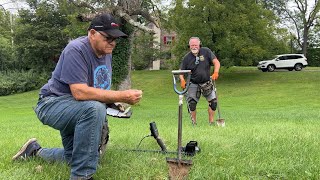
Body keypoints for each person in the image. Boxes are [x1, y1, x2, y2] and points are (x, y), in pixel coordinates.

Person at [12, 13, 143, 180]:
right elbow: (79, 92)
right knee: (94, 109)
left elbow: (98, 88)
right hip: (52, 103)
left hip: (78, 107)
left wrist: (112, 101)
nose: (113, 43)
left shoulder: (106, 53)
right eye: (108, 37)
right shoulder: (76, 49)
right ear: (92, 33)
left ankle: (34, 151)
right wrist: (120, 95)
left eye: (115, 39)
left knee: (80, 157)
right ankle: (82, 176)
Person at [179, 37, 220, 125]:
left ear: (199, 45)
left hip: (206, 82)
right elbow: (181, 71)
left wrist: (216, 72)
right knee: (192, 104)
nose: (194, 47)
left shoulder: (206, 51)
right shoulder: (187, 58)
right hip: (193, 83)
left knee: (213, 103)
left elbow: (216, 62)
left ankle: (211, 122)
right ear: (189, 46)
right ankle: (194, 122)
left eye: (196, 45)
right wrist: (182, 80)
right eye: (192, 45)